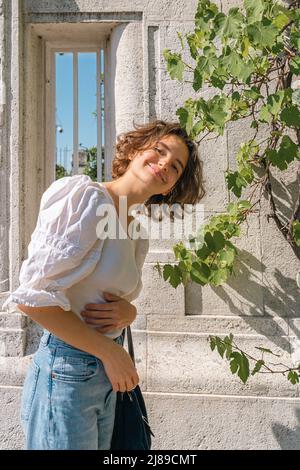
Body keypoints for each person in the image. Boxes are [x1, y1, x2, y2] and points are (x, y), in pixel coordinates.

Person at [3, 119, 205, 450]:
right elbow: (31, 298)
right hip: (67, 370)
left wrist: (130, 312)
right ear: (137, 149)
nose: (164, 164)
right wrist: (108, 351)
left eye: (176, 166)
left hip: (106, 376)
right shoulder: (86, 198)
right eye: (159, 150)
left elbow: (107, 297)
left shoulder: (137, 232)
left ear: (172, 186)